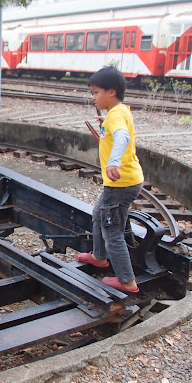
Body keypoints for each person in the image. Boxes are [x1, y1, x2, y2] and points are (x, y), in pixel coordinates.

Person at [76, 66, 144, 293]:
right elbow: (117, 130)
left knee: (111, 230)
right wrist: (104, 125)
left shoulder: (115, 116)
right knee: (99, 214)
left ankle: (127, 281)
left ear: (111, 92)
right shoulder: (120, 111)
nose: (93, 97)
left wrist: (113, 162)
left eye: (96, 93)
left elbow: (122, 137)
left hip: (119, 184)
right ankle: (99, 256)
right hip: (128, 181)